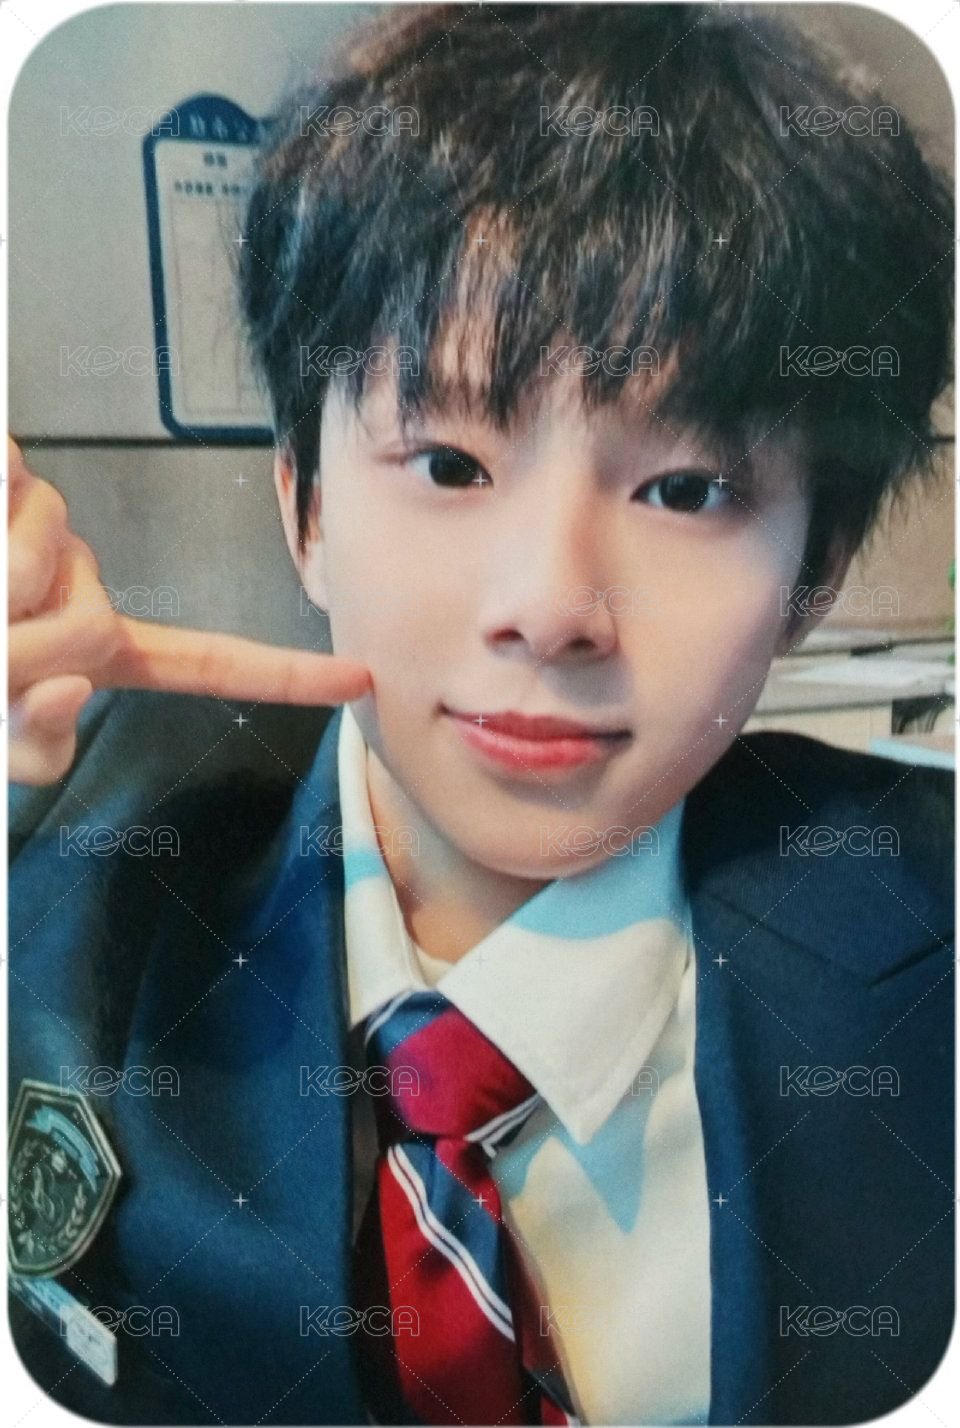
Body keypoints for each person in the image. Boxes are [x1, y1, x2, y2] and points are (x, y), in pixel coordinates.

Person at [8, 5, 954, 1425]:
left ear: (813, 574)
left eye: (685, 489)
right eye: (449, 462)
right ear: (304, 507)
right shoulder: (59, 869)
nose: (551, 607)